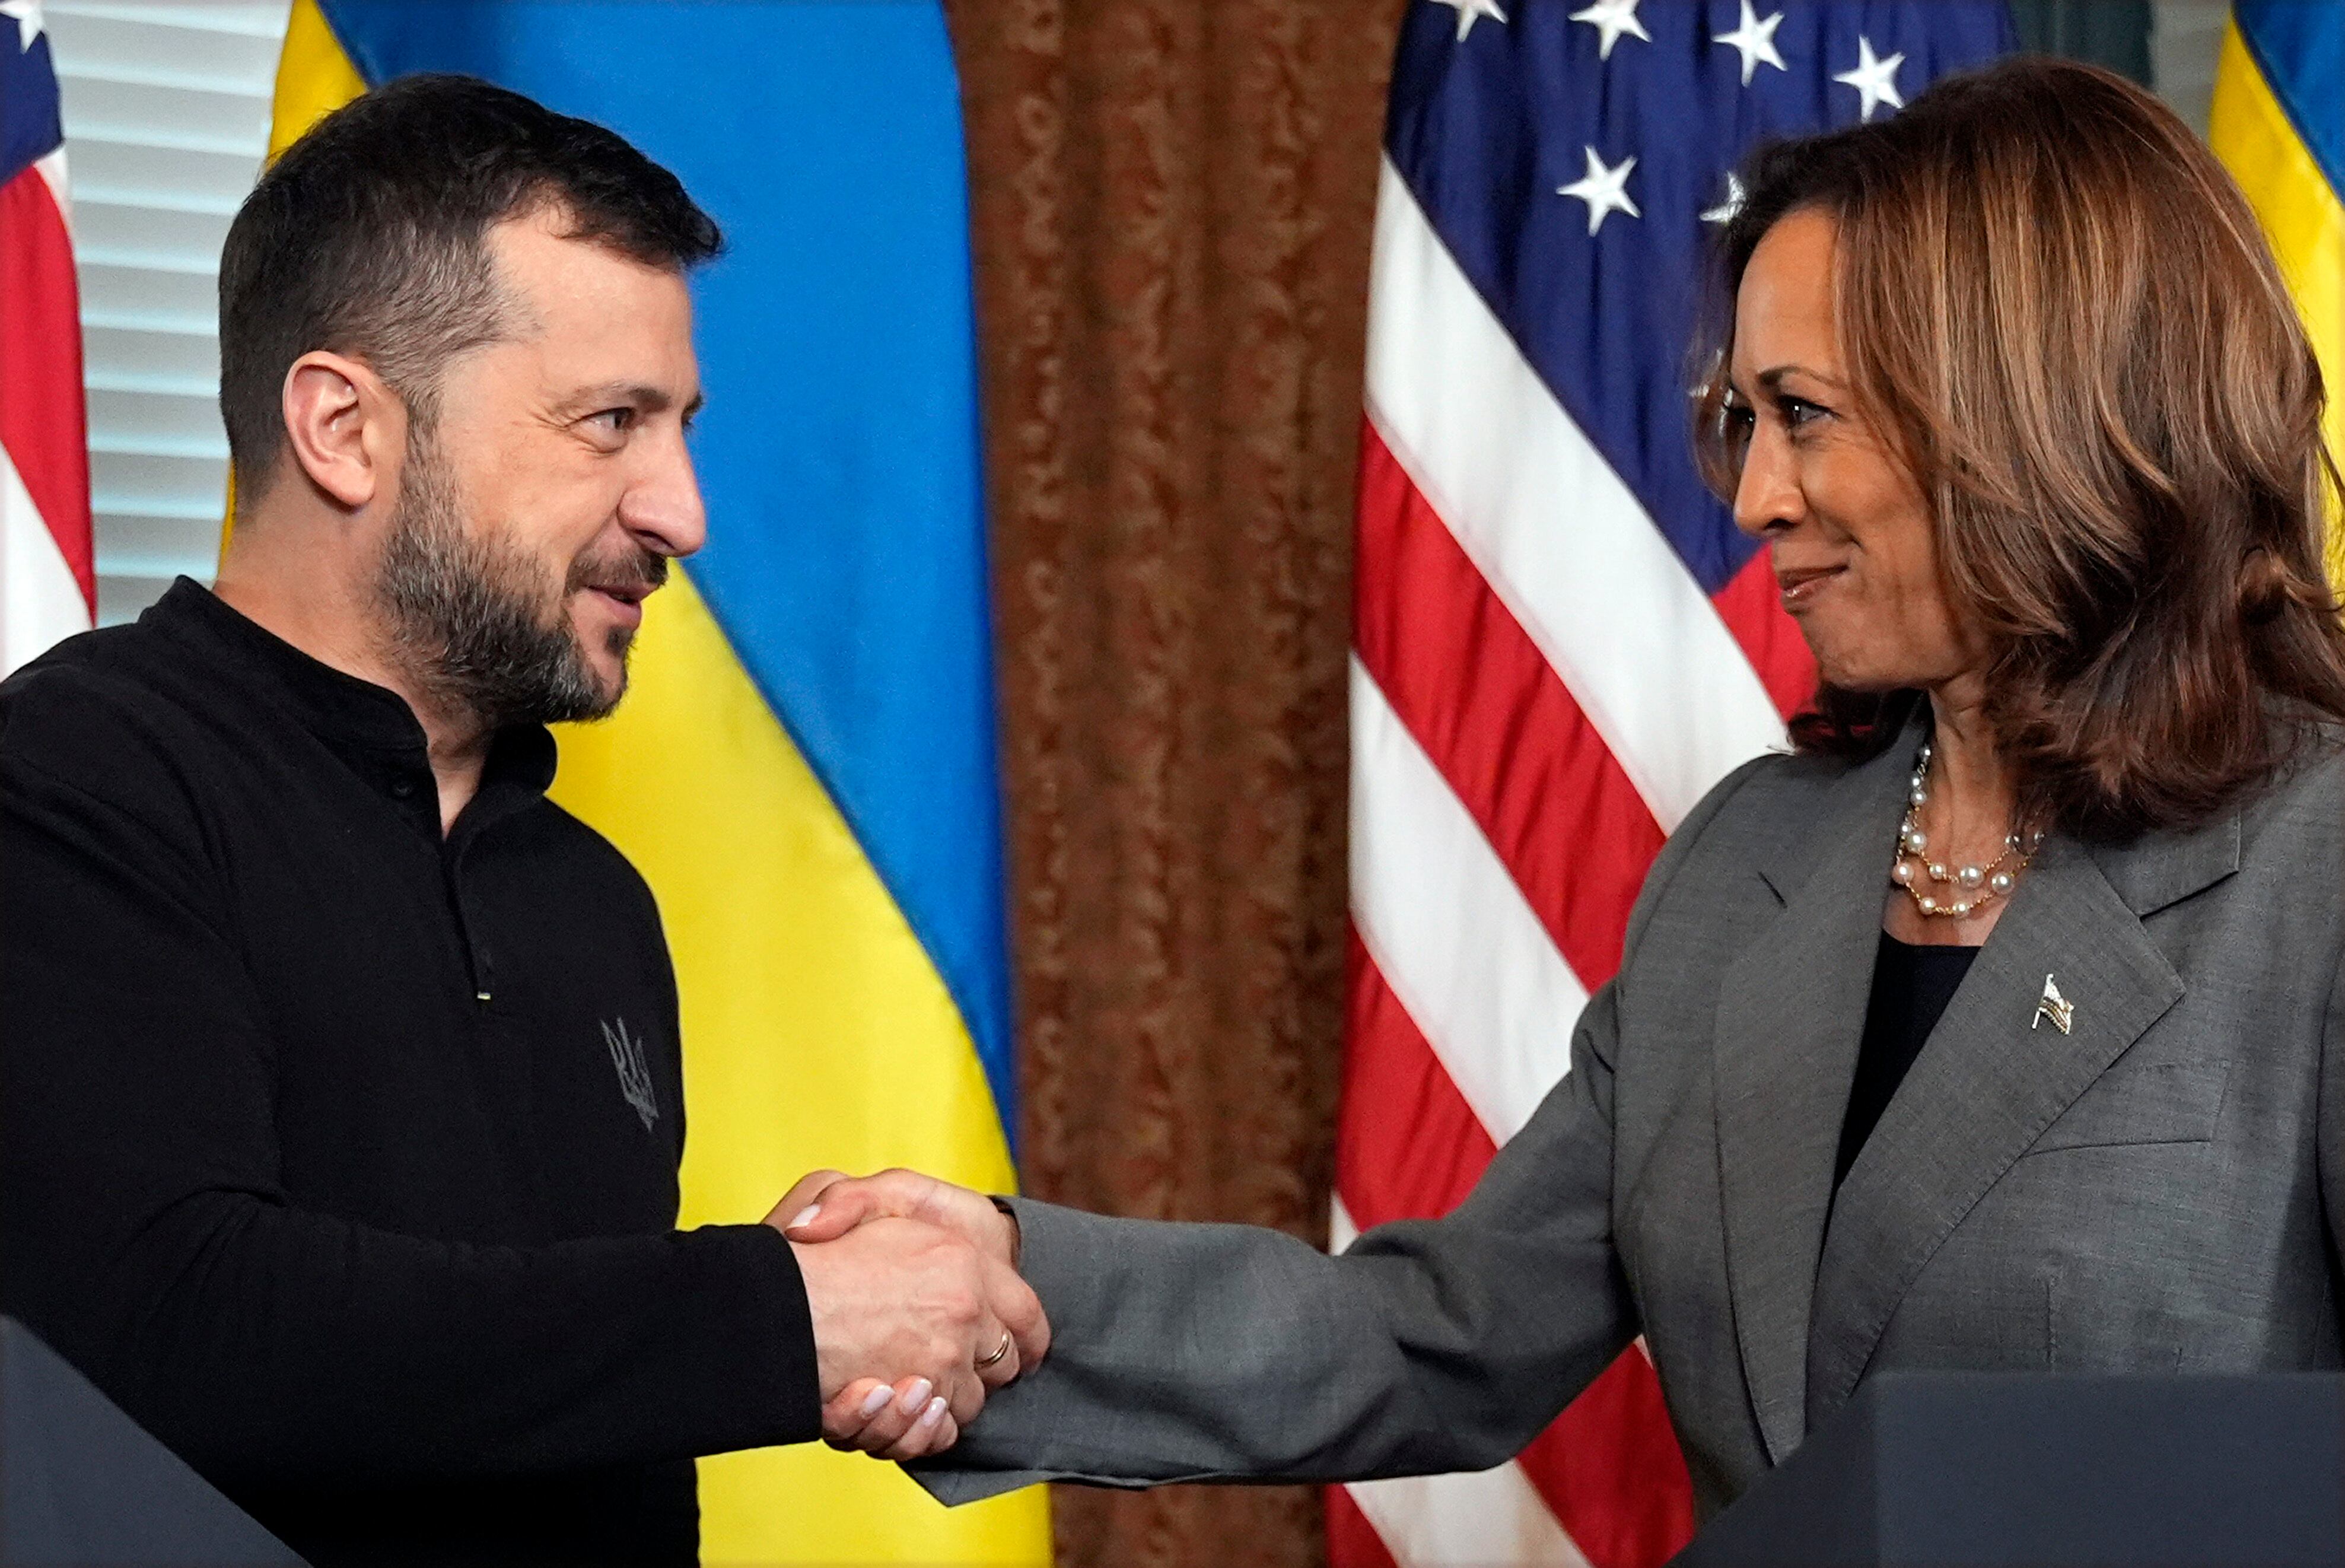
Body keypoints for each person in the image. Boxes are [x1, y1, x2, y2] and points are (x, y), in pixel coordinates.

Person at [786, 57, 2345, 1521]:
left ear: (2036, 410)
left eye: (1802, 414)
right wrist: (997, 1276)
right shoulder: (1754, 860)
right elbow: (1438, 1329)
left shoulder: (2313, 863)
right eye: (1743, 422)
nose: (1751, 497)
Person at [0, 76, 1042, 1567]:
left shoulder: (594, 898)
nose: (682, 509)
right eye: (609, 420)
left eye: (677, 426)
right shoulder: (73, 777)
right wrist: (783, 1313)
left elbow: (594, 1447)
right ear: (345, 428)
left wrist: (847, 1310)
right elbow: (174, 1327)